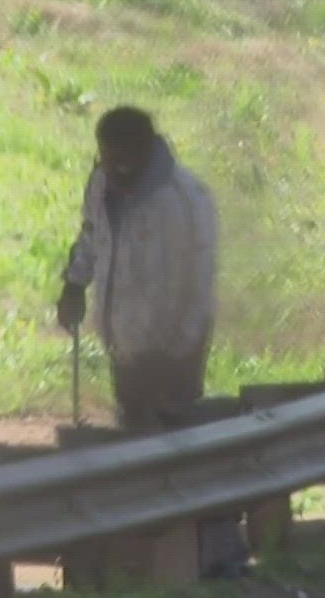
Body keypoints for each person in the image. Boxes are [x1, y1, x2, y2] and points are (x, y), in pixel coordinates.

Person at [56, 106, 219, 433]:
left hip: (175, 345)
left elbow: (201, 277)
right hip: (124, 338)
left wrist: (181, 345)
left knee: (175, 432)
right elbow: (91, 234)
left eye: (125, 162)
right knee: (132, 427)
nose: (116, 171)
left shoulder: (186, 199)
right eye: (108, 159)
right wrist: (74, 284)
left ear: (147, 150)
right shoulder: (100, 185)